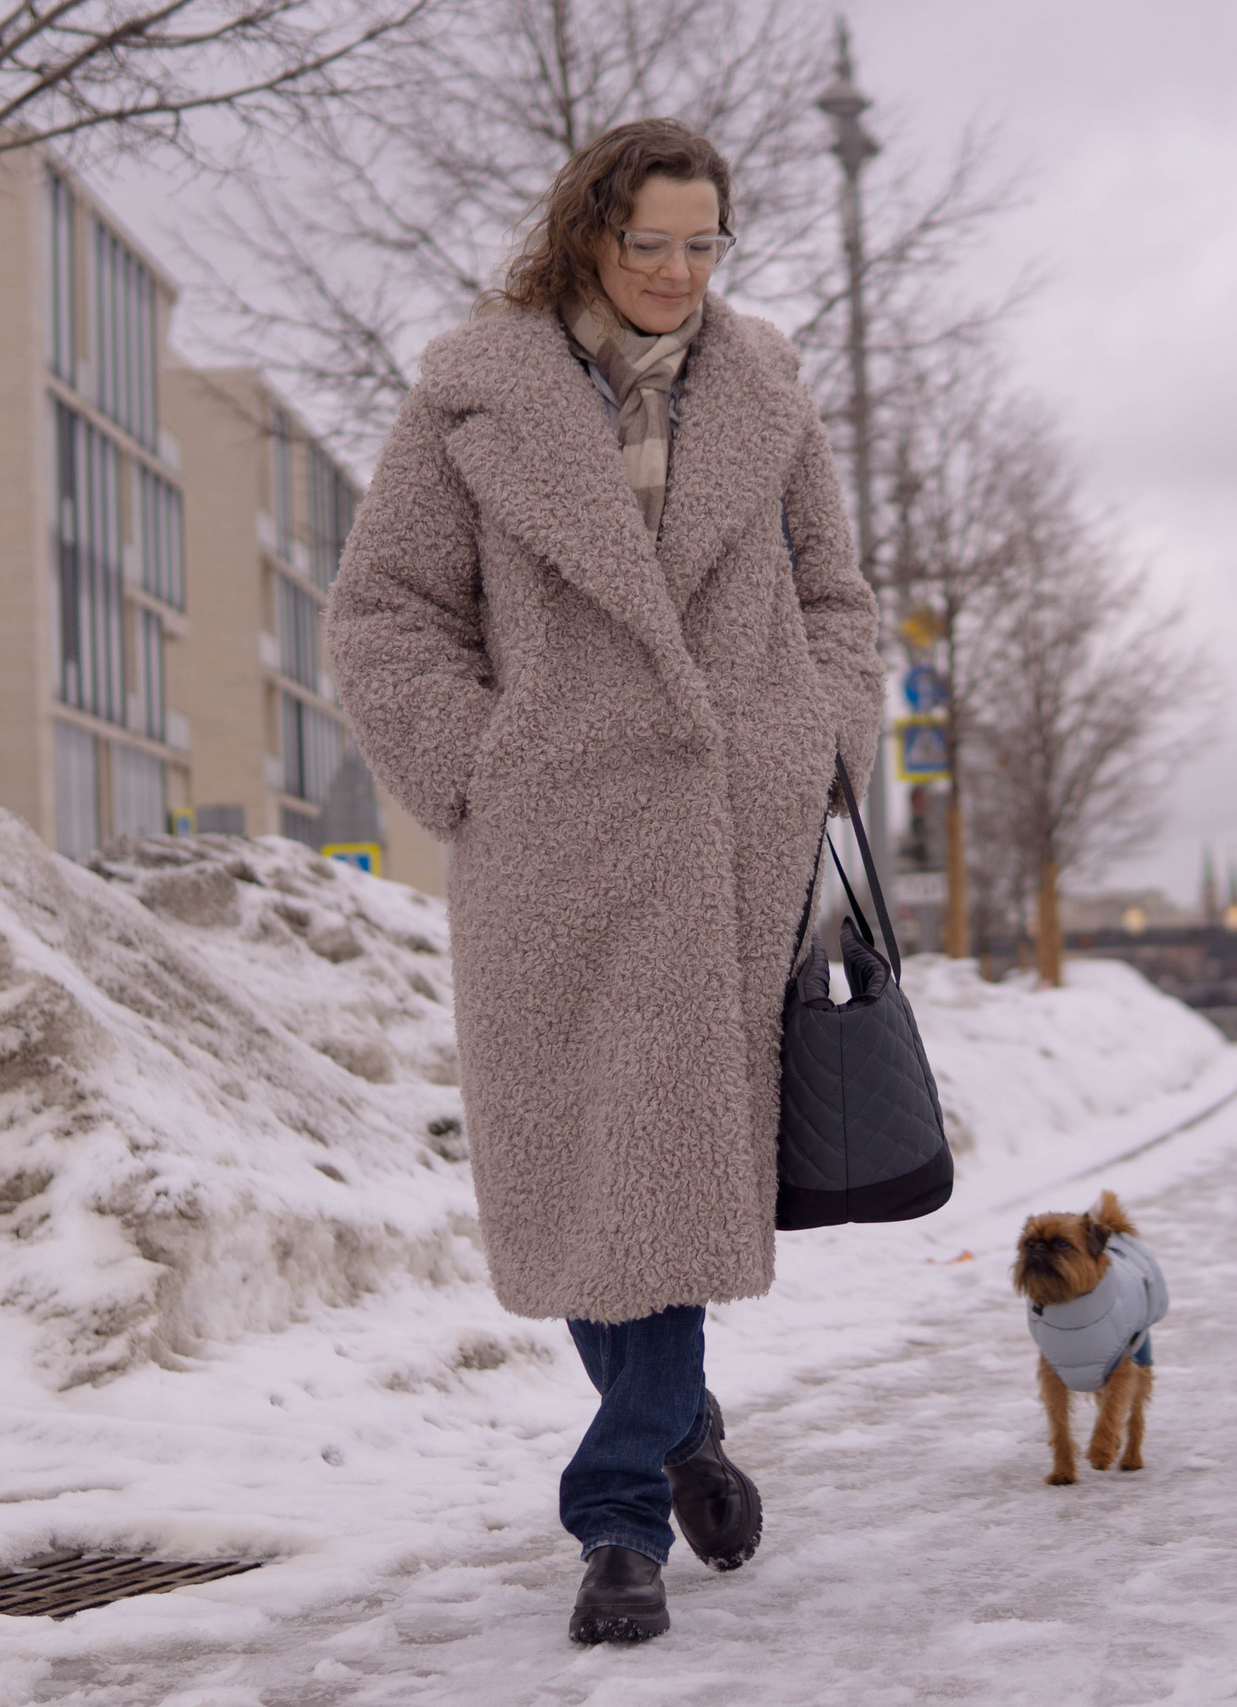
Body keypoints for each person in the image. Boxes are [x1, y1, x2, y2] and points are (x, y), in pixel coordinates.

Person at [324, 118, 883, 1644]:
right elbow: (383, 615)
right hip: (552, 846)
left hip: (726, 838)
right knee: (583, 1171)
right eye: (653, 244)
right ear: (589, 234)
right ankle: (683, 1430)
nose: (681, 273)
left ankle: (619, 1515)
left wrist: (817, 740)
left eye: (706, 245)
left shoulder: (765, 392)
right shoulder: (474, 395)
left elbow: (837, 600)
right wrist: (483, 769)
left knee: (670, 1157)